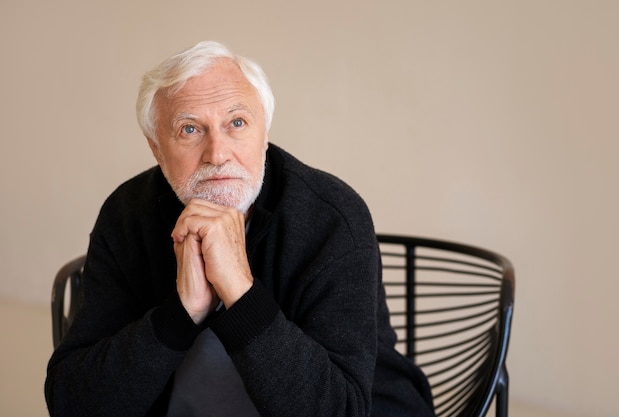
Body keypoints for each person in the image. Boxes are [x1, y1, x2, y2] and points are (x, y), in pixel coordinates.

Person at [45, 40, 434, 417]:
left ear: (264, 134)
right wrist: (179, 316)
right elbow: (74, 402)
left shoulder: (332, 217)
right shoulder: (126, 214)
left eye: (237, 122)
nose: (217, 154)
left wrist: (241, 296)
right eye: (189, 129)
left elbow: (341, 409)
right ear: (155, 148)